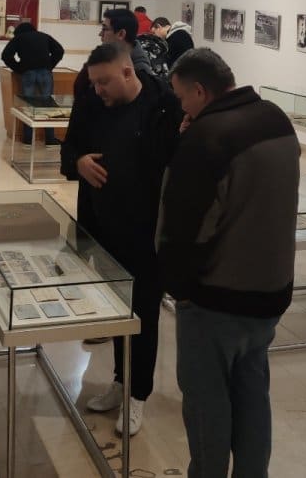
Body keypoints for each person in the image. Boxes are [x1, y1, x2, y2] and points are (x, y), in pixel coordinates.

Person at [158, 49, 300, 478]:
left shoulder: (208, 139)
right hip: (269, 293)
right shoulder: (275, 118)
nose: (182, 106)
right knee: (253, 394)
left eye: (182, 97)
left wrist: (179, 288)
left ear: (201, 91)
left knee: (206, 404)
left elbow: (185, 227)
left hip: (216, 299)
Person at [60, 42, 183, 436]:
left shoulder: (164, 104)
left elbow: (180, 161)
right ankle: (119, 380)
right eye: (94, 82)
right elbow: (70, 148)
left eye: (104, 82)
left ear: (128, 73)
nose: (97, 90)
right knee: (114, 309)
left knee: (143, 314)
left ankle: (138, 394)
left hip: (148, 232)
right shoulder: (91, 102)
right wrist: (79, 162)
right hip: (102, 226)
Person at [0, 21, 66, 144]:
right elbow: (59, 51)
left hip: (28, 73)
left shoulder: (19, 38)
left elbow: (5, 55)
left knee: (28, 105)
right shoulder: (44, 36)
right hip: (45, 73)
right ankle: (50, 139)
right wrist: (49, 65)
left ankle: (28, 139)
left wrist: (18, 68)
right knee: (48, 104)